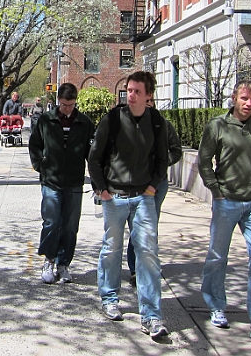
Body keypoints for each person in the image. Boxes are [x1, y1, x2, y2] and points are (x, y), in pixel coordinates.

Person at [198, 78, 251, 344]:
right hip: (226, 202)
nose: (248, 104)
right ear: (234, 98)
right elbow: (204, 161)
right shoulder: (218, 126)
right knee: (217, 256)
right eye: (244, 98)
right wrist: (216, 191)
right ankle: (216, 306)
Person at [88, 71, 169, 339]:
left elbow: (161, 159)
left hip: (143, 197)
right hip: (115, 197)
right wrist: (102, 189)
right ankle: (110, 298)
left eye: (137, 92)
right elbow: (94, 157)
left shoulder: (156, 122)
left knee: (148, 254)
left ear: (148, 97)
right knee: (112, 249)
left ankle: (152, 315)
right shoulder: (112, 120)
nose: (131, 95)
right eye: (128, 90)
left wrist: (152, 187)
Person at [29, 83, 94, 285]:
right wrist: (40, 165)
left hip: (74, 181)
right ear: (58, 102)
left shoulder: (84, 123)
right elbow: (35, 144)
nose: (67, 108)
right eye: (64, 104)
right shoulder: (46, 121)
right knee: (52, 221)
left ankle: (63, 263)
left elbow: (91, 153)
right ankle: (49, 260)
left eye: (71, 104)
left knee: (70, 225)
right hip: (51, 180)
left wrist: (96, 177)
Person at [126, 96, 183, 286]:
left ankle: (148, 265)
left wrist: (162, 160)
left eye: (150, 100)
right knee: (136, 227)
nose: (147, 103)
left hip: (158, 183)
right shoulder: (128, 124)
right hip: (134, 184)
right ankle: (135, 269)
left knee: (150, 226)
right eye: (145, 99)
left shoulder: (163, 125)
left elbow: (176, 150)